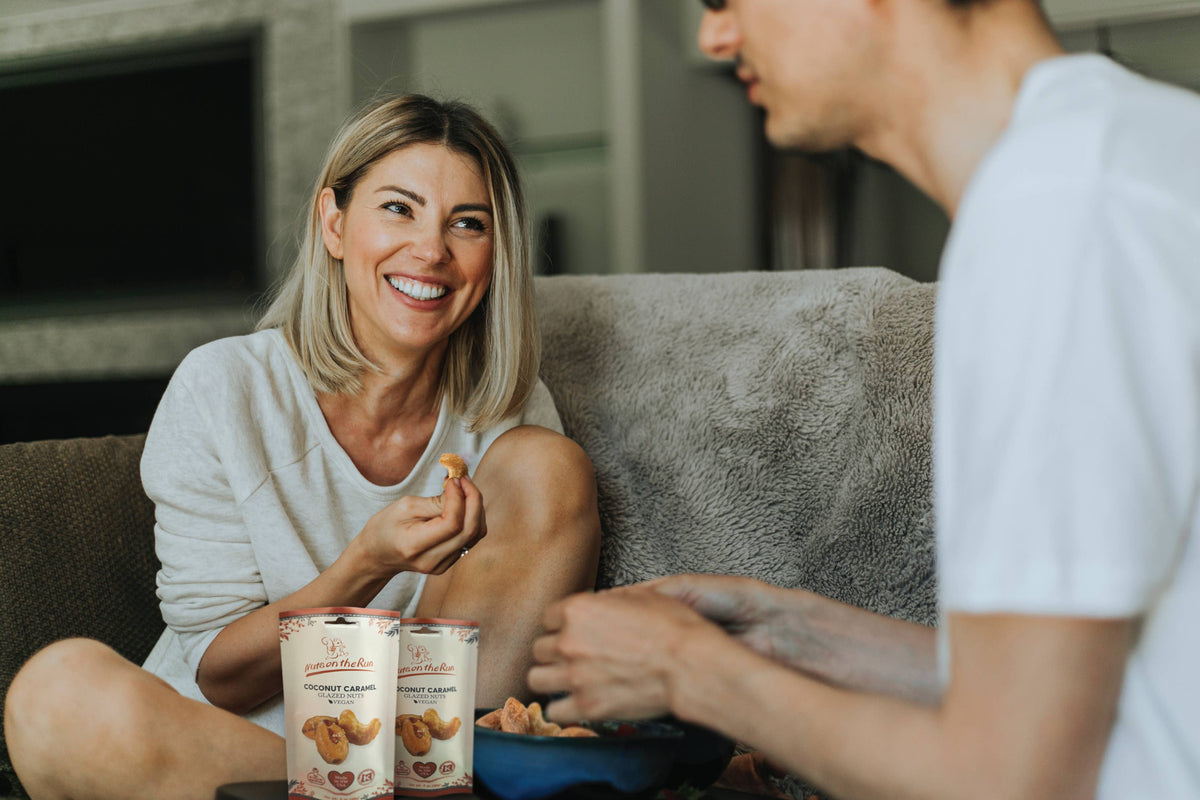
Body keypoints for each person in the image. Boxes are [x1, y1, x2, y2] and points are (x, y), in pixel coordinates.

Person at [528, 1, 1200, 798]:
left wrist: (690, 672)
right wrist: (784, 636)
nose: (712, 37)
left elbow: (1010, 778)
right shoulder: (1137, 147)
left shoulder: (1055, 219)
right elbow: (1090, 690)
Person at [5, 93, 601, 800]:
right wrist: (365, 565)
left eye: (466, 223)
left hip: (413, 769)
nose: (432, 250)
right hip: (231, 759)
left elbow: (509, 664)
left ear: (495, 253)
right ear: (335, 223)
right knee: (56, 694)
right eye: (398, 209)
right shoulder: (225, 388)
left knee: (547, 466)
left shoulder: (512, 414)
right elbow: (221, 678)